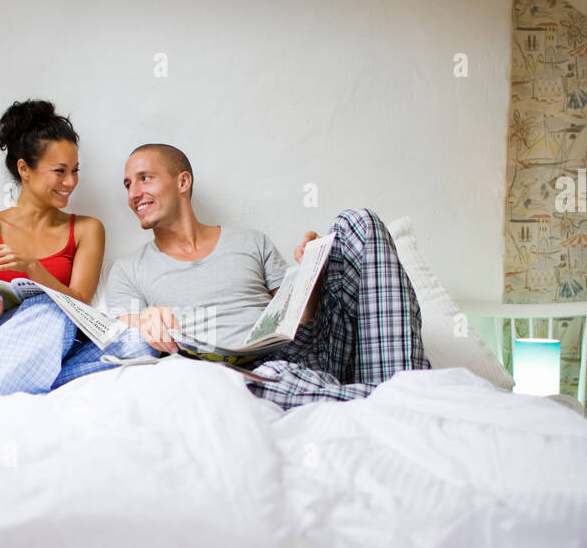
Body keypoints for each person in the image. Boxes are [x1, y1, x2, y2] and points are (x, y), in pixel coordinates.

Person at [105, 144, 430, 408]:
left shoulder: (251, 242)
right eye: (128, 184)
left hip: (303, 353)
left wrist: (310, 274)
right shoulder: (129, 269)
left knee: (357, 221)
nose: (133, 193)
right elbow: (119, 334)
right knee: (264, 380)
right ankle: (401, 402)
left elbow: (297, 320)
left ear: (182, 182)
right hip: (235, 373)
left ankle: (401, 383)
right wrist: (146, 319)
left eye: (144, 178)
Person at [0, 99, 156, 394]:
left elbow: (79, 308)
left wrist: (33, 269)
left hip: (59, 341)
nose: (71, 181)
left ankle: (28, 381)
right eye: (60, 171)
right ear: (25, 169)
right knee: (49, 308)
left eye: (75, 170)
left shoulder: (87, 229)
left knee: (141, 341)